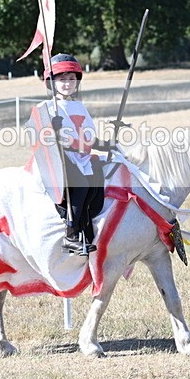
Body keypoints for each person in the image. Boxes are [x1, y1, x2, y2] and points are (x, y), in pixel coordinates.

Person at [43, 53, 114, 256]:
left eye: (71, 78)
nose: (67, 83)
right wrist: (52, 130)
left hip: (82, 155)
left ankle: (90, 228)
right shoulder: (49, 107)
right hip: (63, 158)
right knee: (80, 184)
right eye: (62, 79)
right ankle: (71, 234)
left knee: (102, 176)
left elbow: (87, 135)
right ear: (52, 82)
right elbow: (43, 137)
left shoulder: (79, 106)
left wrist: (104, 144)